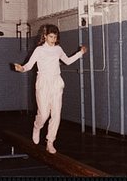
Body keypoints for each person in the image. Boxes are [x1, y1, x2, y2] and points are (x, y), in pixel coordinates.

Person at [14, 24, 87, 154]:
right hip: (43, 82)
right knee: (43, 114)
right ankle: (37, 127)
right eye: (51, 37)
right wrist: (22, 68)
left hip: (56, 82)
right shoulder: (39, 50)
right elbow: (29, 65)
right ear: (45, 36)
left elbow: (68, 61)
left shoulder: (58, 49)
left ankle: (50, 142)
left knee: (56, 114)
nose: (53, 40)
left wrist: (80, 53)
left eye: (55, 37)